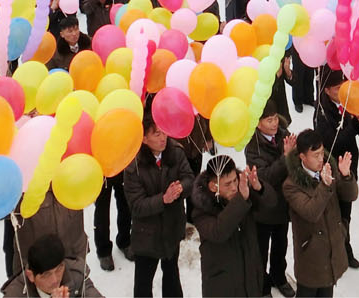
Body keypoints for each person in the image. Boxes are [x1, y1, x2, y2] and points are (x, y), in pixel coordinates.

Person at [123, 114, 194, 298]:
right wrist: (164, 199)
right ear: (144, 138)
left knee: (171, 275)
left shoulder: (176, 152)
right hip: (147, 235)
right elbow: (137, 206)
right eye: (156, 134)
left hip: (172, 227)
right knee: (143, 284)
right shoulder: (134, 166)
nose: (163, 138)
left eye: (164, 132)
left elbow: (189, 178)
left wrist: (181, 188)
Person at [283, 129, 358, 297]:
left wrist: (346, 176)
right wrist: (325, 186)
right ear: (302, 157)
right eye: (315, 155)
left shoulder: (328, 168)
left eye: (321, 153)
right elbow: (311, 212)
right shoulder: (292, 184)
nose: (320, 159)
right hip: (310, 256)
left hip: (332, 250)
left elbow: (350, 195)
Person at [313, 68, 359, 269]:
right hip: (332, 168)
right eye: (337, 88)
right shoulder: (321, 112)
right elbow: (332, 142)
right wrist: (354, 126)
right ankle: (331, 252)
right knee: (332, 214)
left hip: (349, 167)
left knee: (346, 212)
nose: (342, 90)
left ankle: (345, 247)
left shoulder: (348, 102)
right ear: (327, 90)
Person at [191, 155, 266, 297]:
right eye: (227, 184)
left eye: (235, 180)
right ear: (213, 187)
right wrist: (240, 201)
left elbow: (271, 205)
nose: (234, 188)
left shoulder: (244, 194)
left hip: (250, 281)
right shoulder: (201, 211)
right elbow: (219, 231)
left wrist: (259, 188)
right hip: (223, 285)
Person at [244, 103, 296, 297]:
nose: (274, 123)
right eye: (269, 120)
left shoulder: (284, 134)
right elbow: (266, 177)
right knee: (261, 250)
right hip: (263, 207)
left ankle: (279, 277)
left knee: (280, 245)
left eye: (275, 118)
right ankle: (262, 285)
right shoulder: (253, 146)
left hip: (284, 203)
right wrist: (286, 157)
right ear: (258, 124)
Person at [2, 233, 78, 298]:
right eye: (46, 275)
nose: (55, 280)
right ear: (30, 275)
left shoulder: (78, 274)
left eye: (58, 270)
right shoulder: (14, 295)